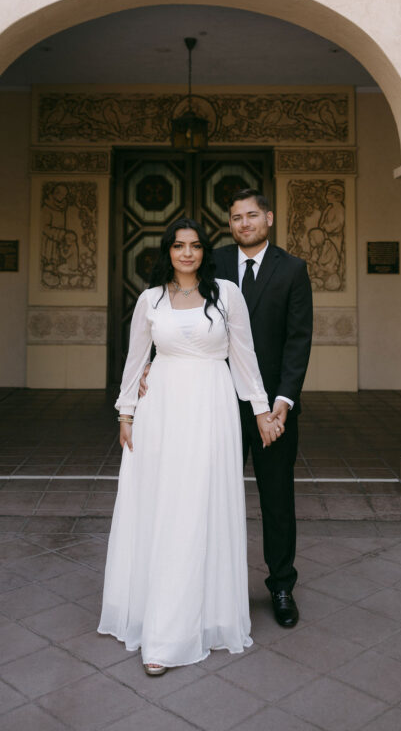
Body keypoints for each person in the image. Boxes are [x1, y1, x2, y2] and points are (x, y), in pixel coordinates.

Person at [97, 217, 282, 676]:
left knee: (201, 506)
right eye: (178, 246)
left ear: (205, 252)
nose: (187, 253)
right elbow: (136, 358)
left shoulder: (226, 295)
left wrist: (260, 409)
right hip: (161, 411)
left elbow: (244, 357)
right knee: (165, 508)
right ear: (167, 250)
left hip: (212, 410)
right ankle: (159, 626)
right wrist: (125, 412)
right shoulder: (150, 299)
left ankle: (206, 617)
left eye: (195, 246)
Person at [214, 189, 313, 628]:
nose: (244, 224)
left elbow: (298, 339)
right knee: (214, 496)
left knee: (276, 500)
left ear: (269, 218)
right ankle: (215, 586)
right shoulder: (212, 263)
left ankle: (281, 586)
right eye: (236, 218)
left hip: (274, 410)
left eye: (252, 215)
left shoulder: (292, 269)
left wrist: (282, 404)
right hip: (219, 404)